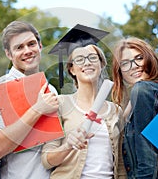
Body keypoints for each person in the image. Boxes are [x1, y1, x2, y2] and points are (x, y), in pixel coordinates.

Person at [41, 24, 127, 179]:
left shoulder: (115, 111)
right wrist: (68, 145)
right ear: (72, 69)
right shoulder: (59, 104)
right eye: (79, 59)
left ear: (101, 64)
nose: (87, 63)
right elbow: (47, 160)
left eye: (92, 57)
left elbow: (120, 164)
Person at [0, 20, 59, 178]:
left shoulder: (51, 90)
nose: (28, 51)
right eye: (19, 47)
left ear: (40, 46)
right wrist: (37, 109)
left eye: (31, 44)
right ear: (9, 54)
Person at [111, 37, 158, 178]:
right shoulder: (157, 91)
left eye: (139, 58)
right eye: (125, 63)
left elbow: (146, 155)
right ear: (120, 71)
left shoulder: (142, 90)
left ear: (149, 59)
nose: (134, 66)